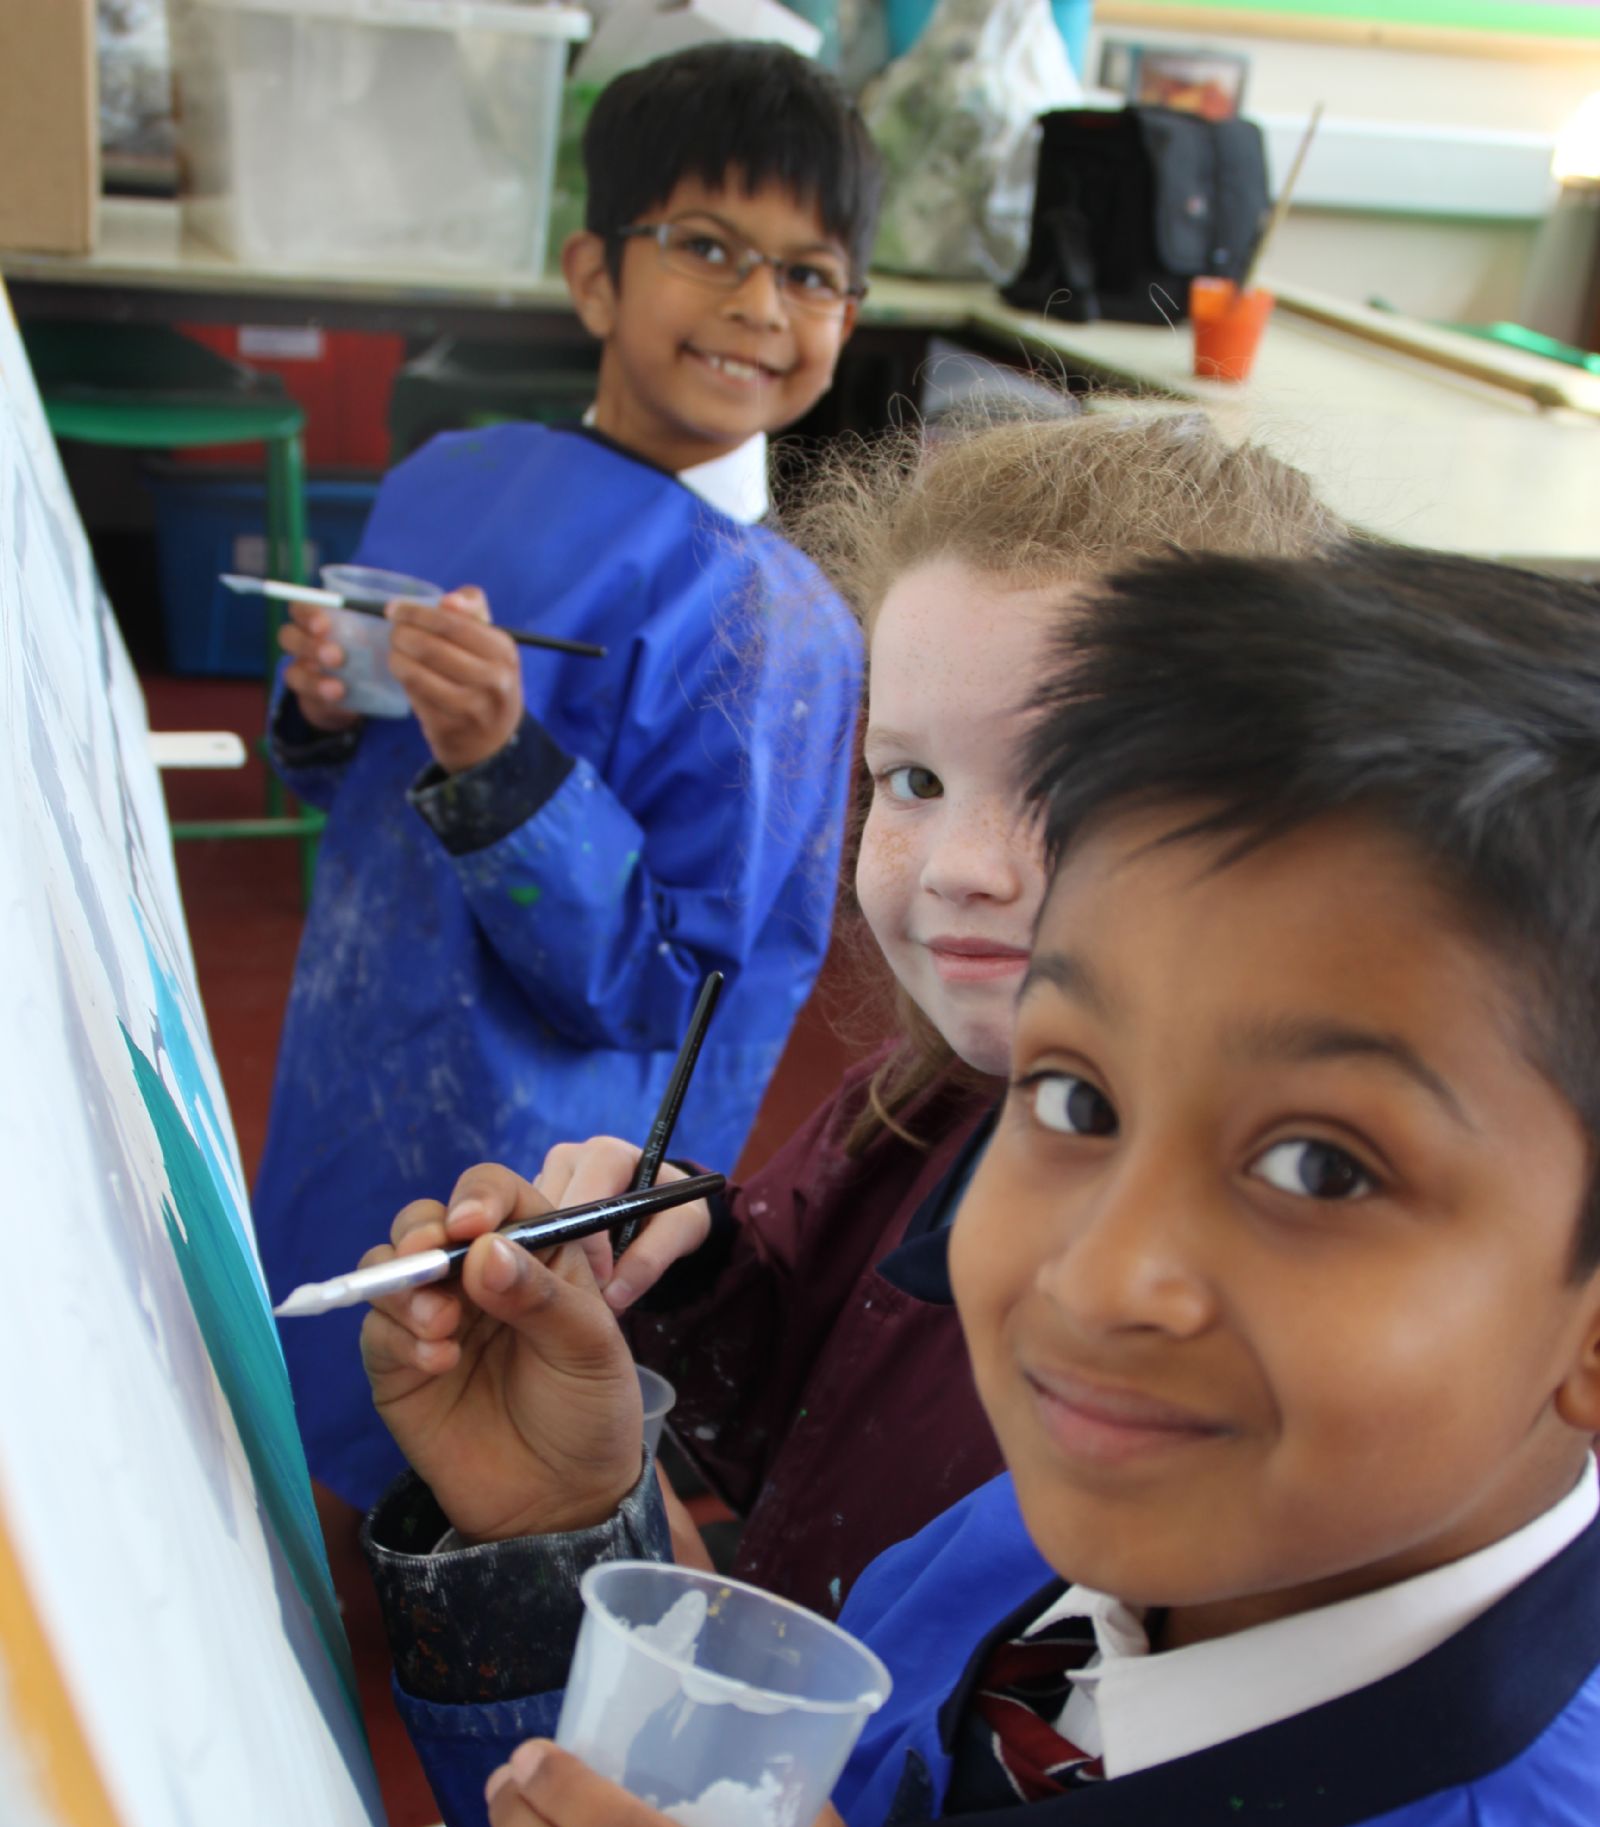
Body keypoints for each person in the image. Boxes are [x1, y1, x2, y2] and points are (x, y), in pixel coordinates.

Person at [360, 544, 1600, 1827]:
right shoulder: (1034, 1544)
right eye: (1077, 1096)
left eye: (1323, 1168)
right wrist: (556, 1544)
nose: (1096, 1280)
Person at [454, 411, 1338, 1614]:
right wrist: (679, 1272)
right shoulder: (917, 1102)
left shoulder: (1261, 1312)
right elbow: (809, 1408)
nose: (960, 865)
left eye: (1069, 783)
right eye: (911, 779)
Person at [250, 43, 882, 1508]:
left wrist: (501, 763)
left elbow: (674, 987)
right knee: (291, 1386)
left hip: (528, 1146)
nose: (755, 306)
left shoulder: (777, 628)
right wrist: (332, 706)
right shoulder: (454, 477)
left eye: (810, 274)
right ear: (596, 274)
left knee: (448, 1448)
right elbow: (351, 804)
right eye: (709, 248)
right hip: (356, 1057)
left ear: (850, 317)